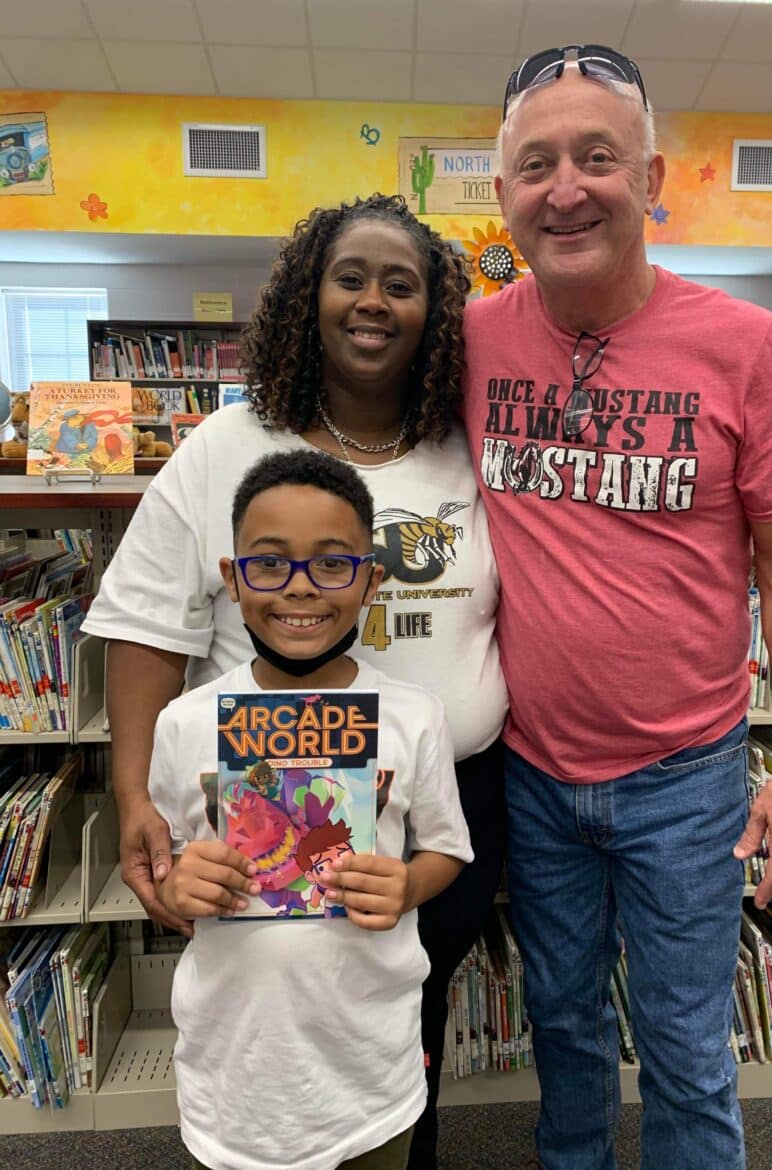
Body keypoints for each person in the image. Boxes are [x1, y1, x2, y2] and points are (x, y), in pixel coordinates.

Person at [459, 45, 772, 1170]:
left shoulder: (746, 346)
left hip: (685, 778)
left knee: (685, 1050)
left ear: (653, 178)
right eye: (536, 165)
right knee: (563, 1034)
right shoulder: (471, 339)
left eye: (597, 157)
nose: (565, 188)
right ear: (503, 194)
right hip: (532, 772)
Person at [81, 193, 507, 1169]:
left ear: (436, 314)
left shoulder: (468, 446)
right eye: (348, 278)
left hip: (443, 799)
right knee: (276, 1011)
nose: (372, 302)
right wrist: (135, 794)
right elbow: (145, 627)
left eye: (400, 285)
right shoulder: (229, 443)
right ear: (307, 297)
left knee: (404, 1012)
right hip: (263, 800)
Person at [150, 448, 473, 1170]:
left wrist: (408, 885)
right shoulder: (185, 722)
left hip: (370, 1073)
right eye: (269, 563)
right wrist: (178, 888)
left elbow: (447, 848)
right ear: (233, 579)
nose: (300, 587)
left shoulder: (413, 715)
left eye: (332, 563)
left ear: (372, 580)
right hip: (234, 1080)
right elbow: (169, 869)